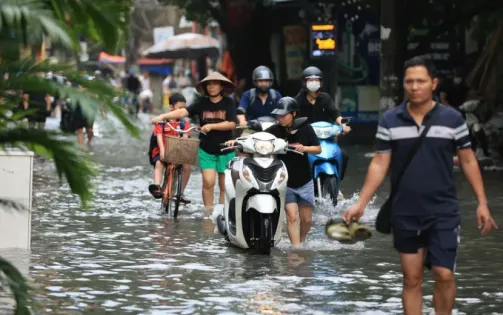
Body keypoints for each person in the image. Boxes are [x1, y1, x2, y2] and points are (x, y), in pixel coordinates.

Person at [343, 56, 498, 315]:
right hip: (406, 211)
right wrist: (361, 203)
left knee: (444, 273)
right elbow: (380, 163)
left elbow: (469, 160)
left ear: (433, 83)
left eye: (421, 81)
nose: (415, 87)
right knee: (412, 278)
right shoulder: (390, 119)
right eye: (409, 81)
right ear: (404, 84)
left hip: (443, 210)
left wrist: (482, 203)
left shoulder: (452, 119)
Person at [151, 71, 237, 215]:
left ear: (221, 86)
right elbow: (181, 113)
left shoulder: (228, 103)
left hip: (226, 148)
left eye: (214, 84)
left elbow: (231, 124)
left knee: (224, 185)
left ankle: (222, 214)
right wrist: (163, 116)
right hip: (206, 148)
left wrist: (211, 126)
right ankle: (209, 213)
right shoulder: (202, 102)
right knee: (208, 182)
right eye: (208, 84)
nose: (211, 87)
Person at [265, 97, 321, 246]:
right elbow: (257, 139)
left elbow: (318, 148)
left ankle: (300, 242)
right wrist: (237, 141)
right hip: (285, 180)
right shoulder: (274, 130)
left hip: (305, 180)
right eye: (278, 115)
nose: (280, 118)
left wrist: (305, 148)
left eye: (284, 115)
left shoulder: (306, 128)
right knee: (292, 217)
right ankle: (296, 251)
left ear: (294, 114)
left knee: (307, 220)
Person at [148, 93, 192, 204]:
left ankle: (180, 193)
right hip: (162, 151)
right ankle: (157, 186)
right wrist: (162, 152)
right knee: (159, 163)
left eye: (184, 108)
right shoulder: (162, 122)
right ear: (171, 107)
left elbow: (185, 138)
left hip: (178, 152)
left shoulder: (184, 123)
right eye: (179, 108)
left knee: (187, 166)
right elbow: (159, 138)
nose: (182, 111)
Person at [295, 66, 351, 134]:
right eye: (311, 80)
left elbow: (335, 113)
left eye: (316, 80)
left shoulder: (325, 98)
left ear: (320, 82)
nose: (314, 82)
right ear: (305, 82)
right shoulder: (298, 100)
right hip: (305, 138)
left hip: (325, 135)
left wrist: (344, 125)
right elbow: (294, 119)